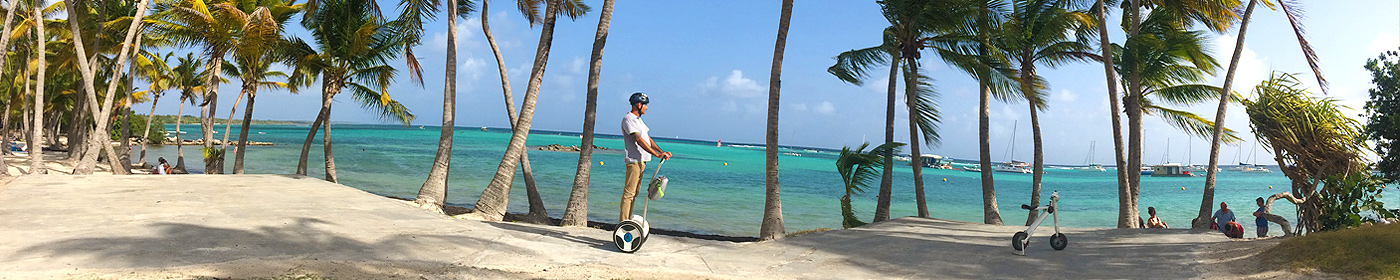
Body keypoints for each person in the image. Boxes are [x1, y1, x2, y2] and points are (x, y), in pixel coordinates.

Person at [619, 92, 671, 222]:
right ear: (638, 105)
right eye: (645, 105)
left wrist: (661, 151)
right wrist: (657, 154)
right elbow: (638, 140)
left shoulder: (638, 120)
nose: (647, 108)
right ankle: (623, 222)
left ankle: (627, 220)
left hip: (641, 161)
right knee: (629, 194)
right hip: (634, 161)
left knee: (634, 193)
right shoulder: (628, 119)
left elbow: (648, 139)